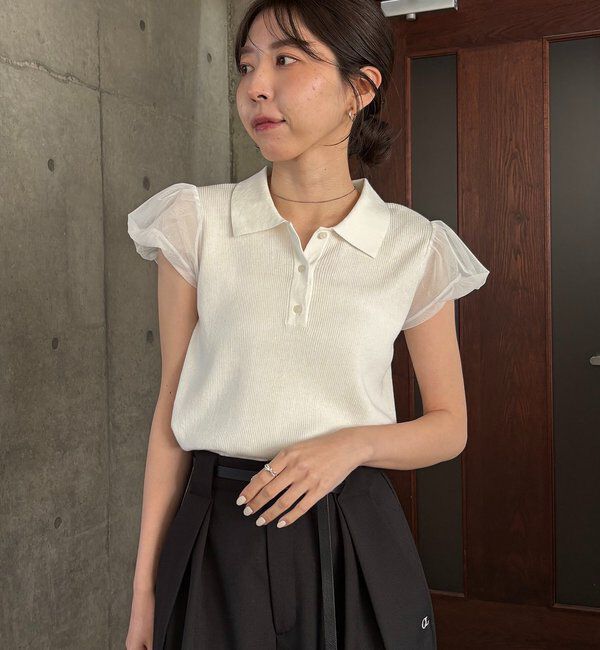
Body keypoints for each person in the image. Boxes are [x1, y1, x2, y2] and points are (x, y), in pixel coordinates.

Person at [125, 1, 490, 649]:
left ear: (361, 87)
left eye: (287, 59)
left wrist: (353, 445)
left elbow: (449, 426)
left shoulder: (416, 247)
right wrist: (145, 593)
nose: (256, 86)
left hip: (354, 536)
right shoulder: (195, 222)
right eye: (247, 66)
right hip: (217, 538)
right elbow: (170, 420)